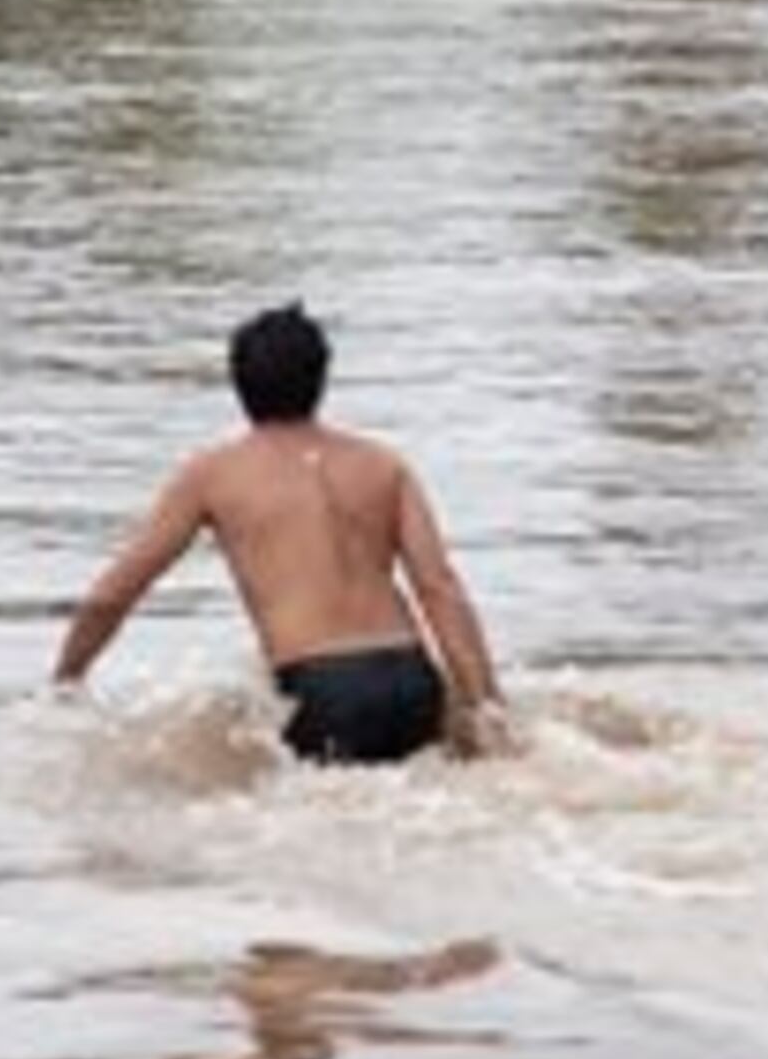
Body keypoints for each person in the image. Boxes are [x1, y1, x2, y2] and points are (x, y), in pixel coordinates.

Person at [51, 303, 508, 765]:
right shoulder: (384, 465)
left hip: (320, 689)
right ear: (322, 378)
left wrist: (67, 679)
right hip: (412, 679)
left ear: (238, 383)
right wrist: (486, 705)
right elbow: (439, 588)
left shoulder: (212, 474)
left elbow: (114, 594)